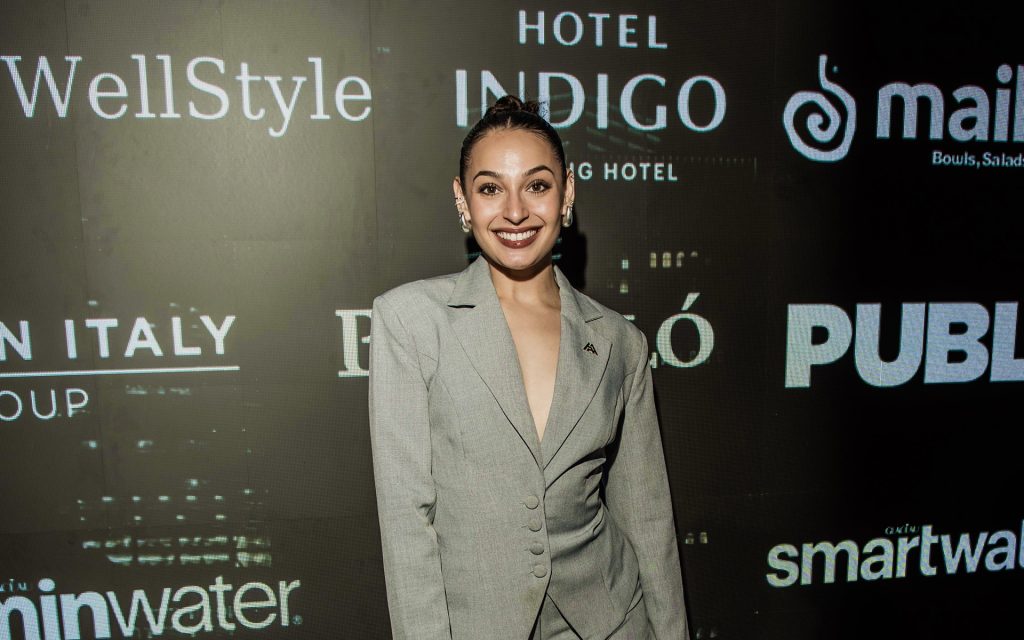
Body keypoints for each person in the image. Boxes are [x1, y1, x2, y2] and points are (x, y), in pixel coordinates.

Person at [369, 95, 689, 640]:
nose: (515, 211)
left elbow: (647, 518)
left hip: (611, 622)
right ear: (463, 200)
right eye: (490, 188)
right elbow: (407, 522)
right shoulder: (411, 320)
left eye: (537, 185)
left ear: (567, 194)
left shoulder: (619, 341)